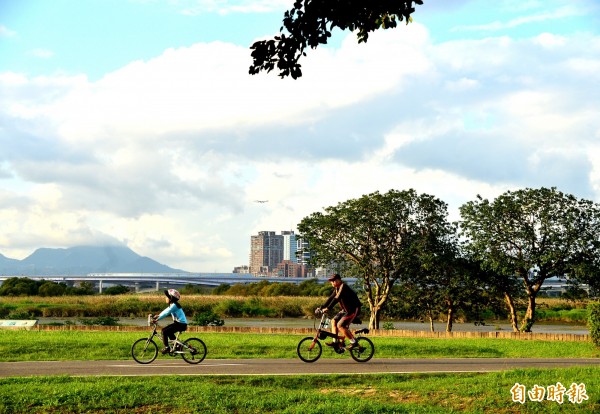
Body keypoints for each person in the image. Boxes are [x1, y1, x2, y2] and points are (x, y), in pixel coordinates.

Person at [317, 273, 361, 350]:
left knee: (340, 325)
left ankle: (353, 342)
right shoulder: (337, 289)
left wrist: (328, 308)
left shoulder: (343, 287)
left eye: (333, 281)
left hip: (353, 310)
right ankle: (335, 342)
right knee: (333, 321)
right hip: (345, 310)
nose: (331, 283)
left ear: (338, 280)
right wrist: (321, 307)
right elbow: (330, 298)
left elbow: (336, 299)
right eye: (331, 281)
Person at [152, 289, 188, 354]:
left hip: (181, 324)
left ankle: (167, 348)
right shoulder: (173, 305)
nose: (165, 298)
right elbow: (165, 311)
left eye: (167, 297)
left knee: (164, 331)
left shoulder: (174, 305)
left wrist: (158, 319)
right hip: (179, 323)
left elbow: (167, 313)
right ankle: (177, 345)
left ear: (171, 298)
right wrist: (158, 315)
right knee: (169, 332)